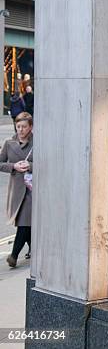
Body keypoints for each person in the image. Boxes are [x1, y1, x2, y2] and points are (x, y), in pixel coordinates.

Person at [0, 112, 33, 267]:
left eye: (24, 126)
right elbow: (0, 163)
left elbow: (49, 161)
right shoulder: (9, 143)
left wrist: (31, 166)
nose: (20, 129)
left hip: (32, 189)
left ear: (30, 127)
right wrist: (13, 166)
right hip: (16, 187)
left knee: (24, 222)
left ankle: (13, 256)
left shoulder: (37, 142)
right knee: (24, 222)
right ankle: (34, 248)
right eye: (18, 126)